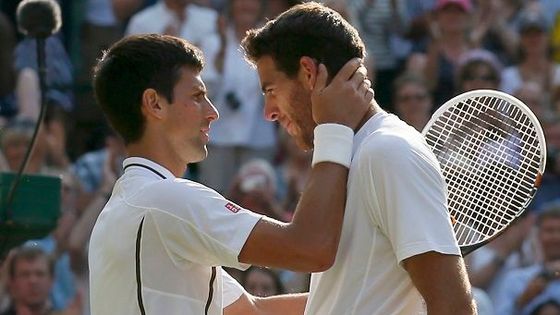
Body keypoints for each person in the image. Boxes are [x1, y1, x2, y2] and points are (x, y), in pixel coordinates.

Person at [89, 33, 373, 314]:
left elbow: (252, 311)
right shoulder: (165, 199)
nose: (212, 112)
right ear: (155, 103)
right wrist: (333, 127)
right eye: (197, 96)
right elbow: (312, 247)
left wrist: (381, 301)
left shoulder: (129, 206)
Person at [241, 2, 476, 314]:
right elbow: (351, 295)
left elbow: (453, 307)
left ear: (309, 73)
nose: (268, 112)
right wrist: (248, 308)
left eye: (271, 90)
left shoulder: (389, 152)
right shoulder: (349, 154)